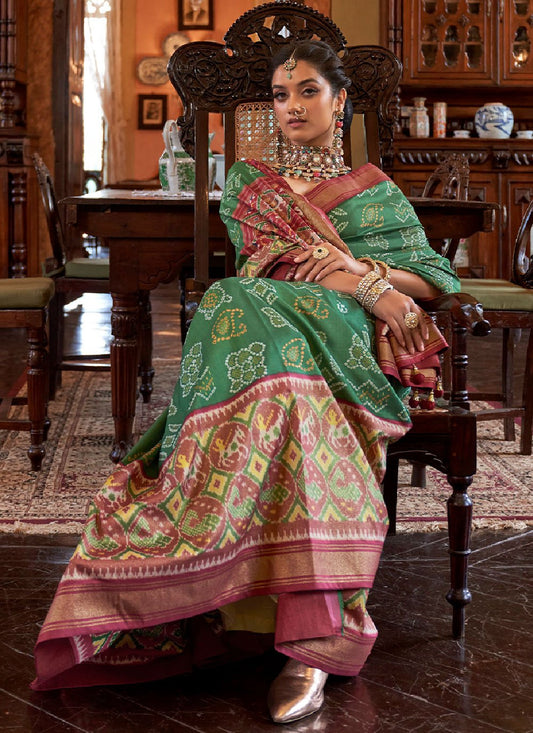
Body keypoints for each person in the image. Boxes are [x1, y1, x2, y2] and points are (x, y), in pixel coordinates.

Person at [32, 40, 459, 724]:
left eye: (308, 91)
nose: (291, 106)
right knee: (240, 303)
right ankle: (305, 630)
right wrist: (374, 288)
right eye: (281, 95)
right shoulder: (250, 182)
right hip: (271, 337)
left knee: (239, 302)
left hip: (342, 344)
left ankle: (301, 628)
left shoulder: (375, 189)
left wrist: (370, 278)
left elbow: (433, 280)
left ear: (340, 102)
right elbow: (278, 263)